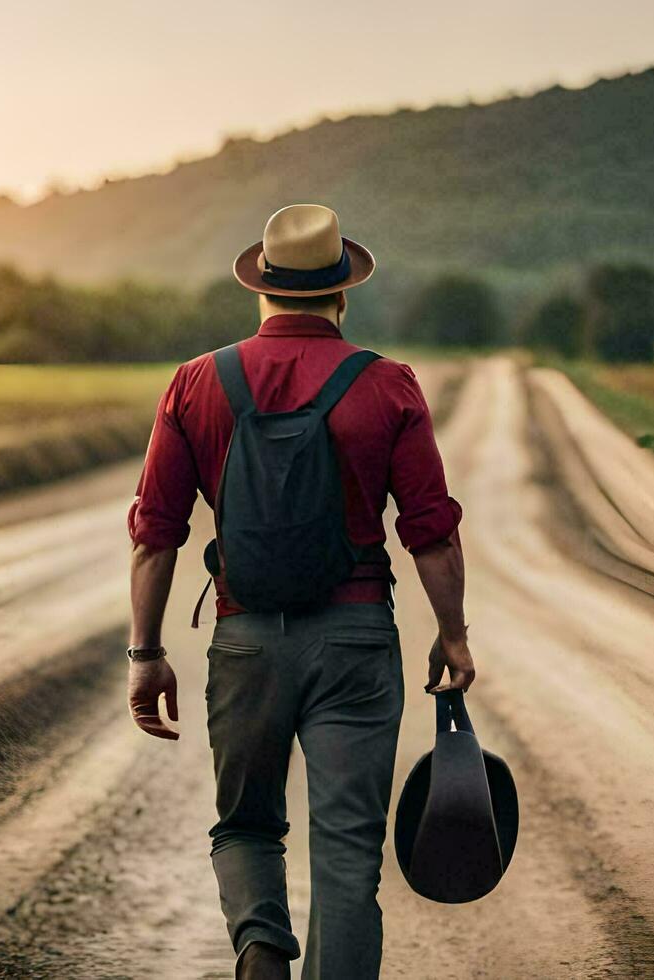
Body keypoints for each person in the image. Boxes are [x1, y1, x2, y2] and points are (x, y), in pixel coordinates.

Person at [125, 204, 474, 980]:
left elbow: (156, 532)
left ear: (263, 292)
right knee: (349, 856)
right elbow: (431, 530)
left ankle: (259, 949)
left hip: (244, 640)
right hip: (355, 639)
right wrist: (453, 634)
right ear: (342, 294)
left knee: (246, 828)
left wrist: (146, 654)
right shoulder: (388, 386)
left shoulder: (196, 384)